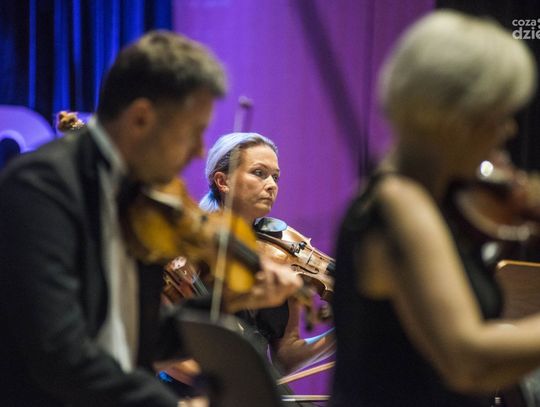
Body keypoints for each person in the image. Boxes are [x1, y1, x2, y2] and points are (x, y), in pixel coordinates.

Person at [0, 30, 301, 406]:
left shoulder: (140, 203)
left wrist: (230, 300)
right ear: (141, 118)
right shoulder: (42, 189)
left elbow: (141, 341)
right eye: (191, 133)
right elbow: (59, 352)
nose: (198, 151)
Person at [329, 9, 540, 407]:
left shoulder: (396, 195)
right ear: (457, 115)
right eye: (499, 114)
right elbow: (469, 362)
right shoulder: (402, 205)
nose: (509, 129)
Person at [199, 132, 336, 374]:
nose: (272, 185)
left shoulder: (282, 256)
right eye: (259, 173)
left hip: (255, 388)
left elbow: (286, 355)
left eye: (275, 177)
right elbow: (167, 351)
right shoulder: (194, 248)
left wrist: (345, 332)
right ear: (223, 181)